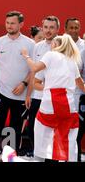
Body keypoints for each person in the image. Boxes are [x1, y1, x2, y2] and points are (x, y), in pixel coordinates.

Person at [22, 34, 85, 162]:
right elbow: (81, 85)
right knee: (67, 138)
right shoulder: (72, 61)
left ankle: (40, 158)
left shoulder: (50, 55)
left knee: (40, 133)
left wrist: (26, 56)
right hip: (68, 105)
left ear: (56, 45)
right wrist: (48, 86)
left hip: (50, 104)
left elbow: (34, 69)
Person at [0, 11, 35, 162]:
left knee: (15, 132)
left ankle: (10, 160)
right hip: (1, 93)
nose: (9, 26)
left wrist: (24, 84)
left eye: (12, 23)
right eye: (7, 23)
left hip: (20, 95)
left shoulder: (30, 44)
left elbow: (34, 69)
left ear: (21, 24)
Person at [25, 16, 60, 157]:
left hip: (56, 97)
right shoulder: (37, 46)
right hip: (38, 96)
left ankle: (52, 157)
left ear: (58, 29)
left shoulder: (63, 45)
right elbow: (33, 71)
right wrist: (28, 94)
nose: (48, 30)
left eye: (51, 27)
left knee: (53, 132)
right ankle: (40, 156)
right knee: (32, 130)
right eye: (46, 27)